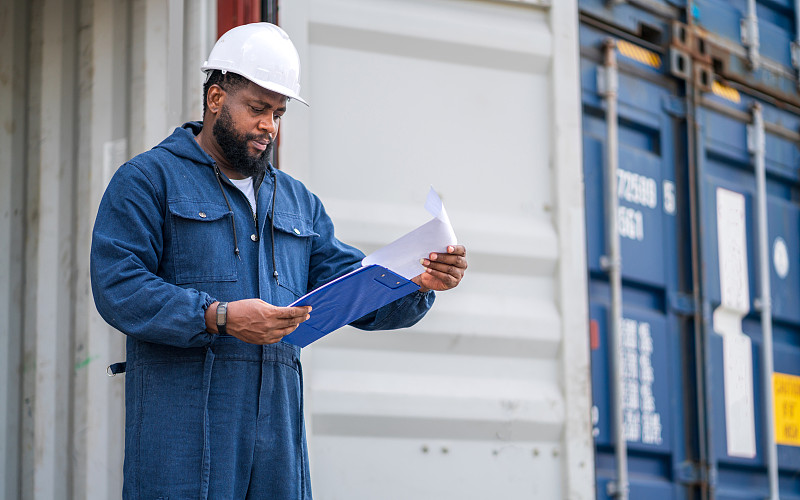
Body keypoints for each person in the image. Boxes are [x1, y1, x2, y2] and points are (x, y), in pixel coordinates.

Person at [90, 22, 467, 499]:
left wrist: (419, 281)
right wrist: (218, 317)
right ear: (215, 100)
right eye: (258, 109)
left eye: (279, 113)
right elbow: (118, 286)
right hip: (182, 444)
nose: (270, 126)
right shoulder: (148, 180)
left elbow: (355, 289)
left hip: (276, 452)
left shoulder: (296, 202)